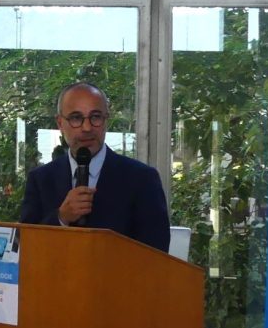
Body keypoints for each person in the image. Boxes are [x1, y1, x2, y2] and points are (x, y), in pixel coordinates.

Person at [19, 82, 171, 252]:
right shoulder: (41, 179)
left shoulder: (142, 179)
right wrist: (61, 217)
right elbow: (25, 246)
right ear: (60, 123)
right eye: (76, 118)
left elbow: (156, 253)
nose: (87, 128)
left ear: (106, 120)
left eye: (96, 117)